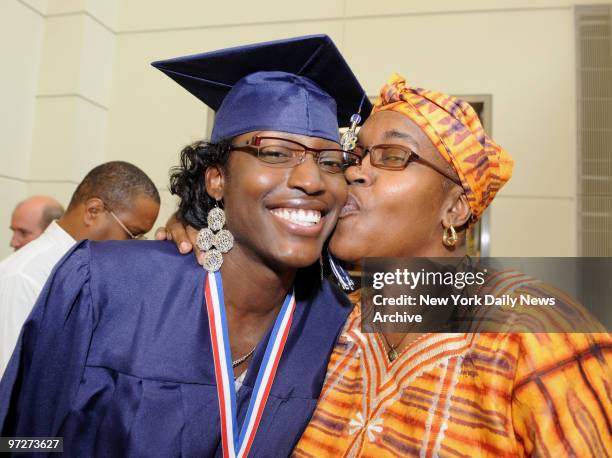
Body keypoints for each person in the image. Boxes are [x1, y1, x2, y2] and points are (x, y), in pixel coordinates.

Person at [165, 75, 611, 457]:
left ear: (455, 208)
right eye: (354, 156)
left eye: (394, 157)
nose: (355, 173)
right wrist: (200, 229)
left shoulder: (539, 333)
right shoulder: (335, 321)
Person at [0, 35, 371, 457]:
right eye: (274, 153)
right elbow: (22, 436)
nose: (312, 179)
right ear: (217, 179)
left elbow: (456, 310)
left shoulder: (340, 322)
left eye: (330, 162)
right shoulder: (104, 284)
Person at [0, 161, 160, 375]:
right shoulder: (24, 277)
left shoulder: (94, 271)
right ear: (93, 211)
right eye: (132, 233)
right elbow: (9, 385)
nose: (132, 246)